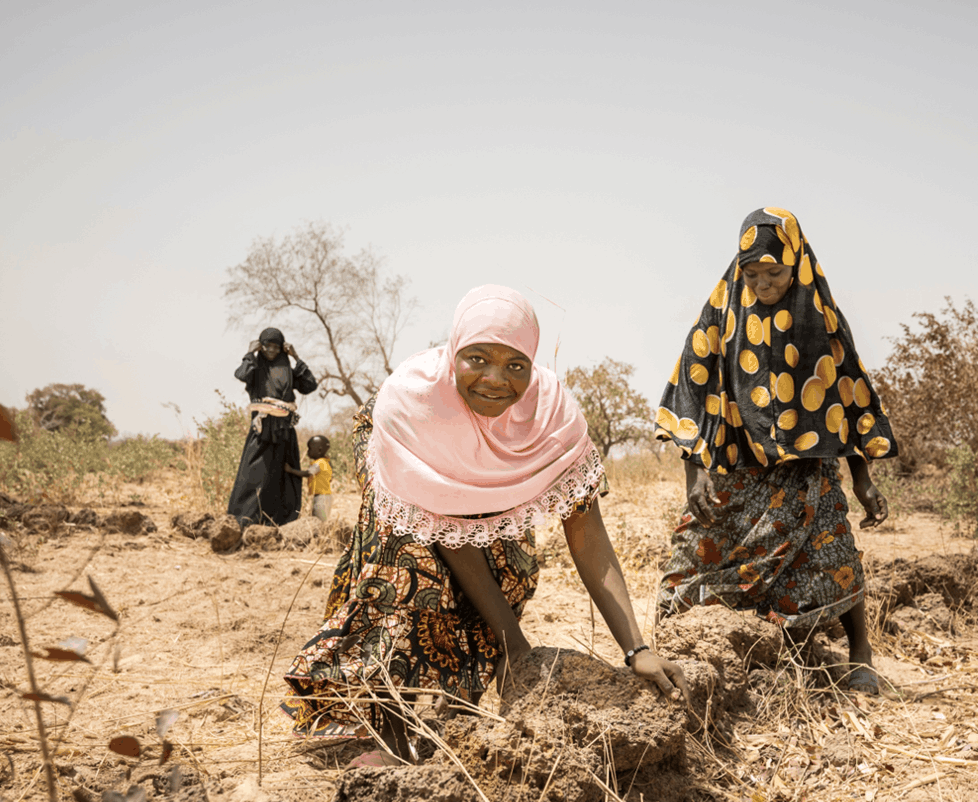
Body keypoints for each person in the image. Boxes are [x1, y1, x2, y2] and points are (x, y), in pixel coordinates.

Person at [283, 285, 686, 742]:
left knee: (510, 569)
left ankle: (450, 692)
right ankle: (385, 722)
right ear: (454, 350)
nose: (496, 378)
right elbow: (449, 533)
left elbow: (588, 536)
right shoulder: (414, 401)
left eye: (516, 365)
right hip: (403, 450)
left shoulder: (551, 417)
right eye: (477, 358)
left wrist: (636, 650)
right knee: (408, 562)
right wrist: (513, 644)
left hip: (472, 479)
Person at [654, 207, 897, 692]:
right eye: (752, 274)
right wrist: (695, 471)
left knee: (834, 552)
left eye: (775, 273)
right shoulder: (721, 312)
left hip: (807, 467)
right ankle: (678, 647)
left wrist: (864, 478)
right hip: (738, 462)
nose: (763, 284)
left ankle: (861, 656)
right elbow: (692, 389)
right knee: (695, 554)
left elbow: (845, 395)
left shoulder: (819, 318)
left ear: (796, 262)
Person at [227, 327, 317, 527]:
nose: (271, 350)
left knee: (283, 476)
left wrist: (296, 357)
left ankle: (280, 523)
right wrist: (250, 353)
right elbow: (241, 374)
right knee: (253, 474)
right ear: (261, 345)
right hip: (262, 430)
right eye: (267, 346)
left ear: (282, 349)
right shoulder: (255, 368)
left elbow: (310, 385)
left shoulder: (287, 370)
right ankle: (245, 520)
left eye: (277, 347)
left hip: (284, 431)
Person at [304, 435, 333, 522]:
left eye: (309, 449)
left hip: (321, 497)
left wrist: (291, 470)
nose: (307, 452)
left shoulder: (319, 463)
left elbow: (307, 473)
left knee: (319, 521)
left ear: (319, 450)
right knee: (319, 519)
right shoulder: (326, 462)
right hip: (325, 496)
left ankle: (321, 535)